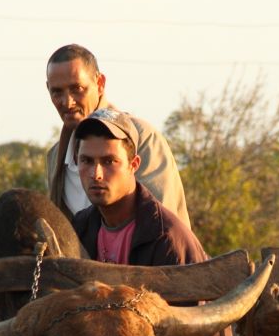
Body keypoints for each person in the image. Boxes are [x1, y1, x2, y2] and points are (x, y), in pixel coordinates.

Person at [69, 110, 222, 336]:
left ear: (133, 164)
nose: (96, 174)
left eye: (109, 161)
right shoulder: (81, 228)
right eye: (86, 161)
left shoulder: (167, 236)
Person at [44, 44, 188, 227]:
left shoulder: (141, 138)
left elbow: (163, 226)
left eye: (77, 88)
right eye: (57, 92)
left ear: (100, 83)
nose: (67, 102)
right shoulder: (56, 156)